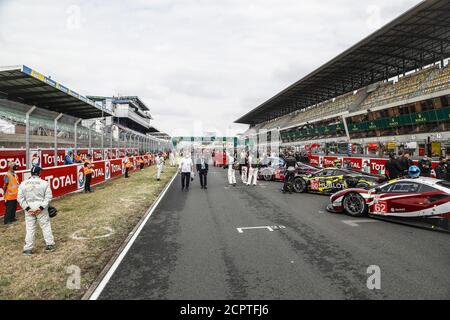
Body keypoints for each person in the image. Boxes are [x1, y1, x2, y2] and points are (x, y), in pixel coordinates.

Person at [18, 165, 55, 256]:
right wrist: (41, 207)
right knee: (45, 226)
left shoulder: (23, 183)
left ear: (31, 173)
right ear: (39, 173)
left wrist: (27, 208)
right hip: (40, 207)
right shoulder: (44, 183)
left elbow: (20, 198)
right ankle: (50, 244)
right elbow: (48, 197)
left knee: (30, 228)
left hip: (29, 207)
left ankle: (27, 249)